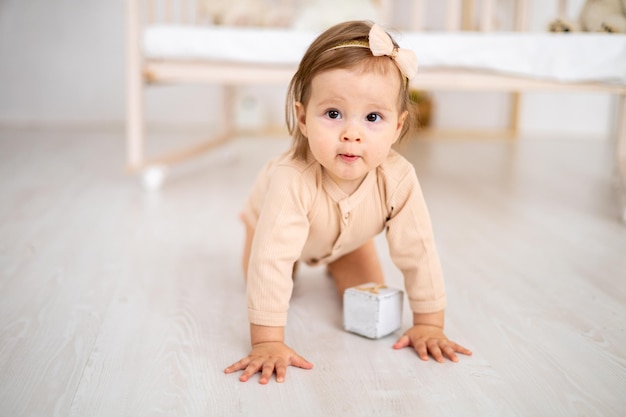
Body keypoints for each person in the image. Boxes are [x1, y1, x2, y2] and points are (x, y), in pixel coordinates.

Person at [224, 20, 472, 384]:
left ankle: (334, 263)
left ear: (397, 127)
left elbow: (417, 250)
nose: (351, 134)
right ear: (304, 118)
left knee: (365, 296)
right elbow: (271, 259)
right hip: (270, 228)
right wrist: (267, 342)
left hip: (349, 240)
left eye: (373, 117)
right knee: (268, 282)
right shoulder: (291, 179)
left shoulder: (399, 179)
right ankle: (290, 267)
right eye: (334, 114)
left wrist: (429, 323)